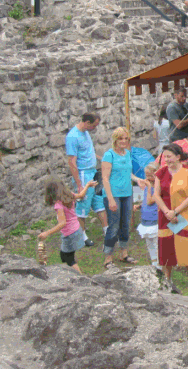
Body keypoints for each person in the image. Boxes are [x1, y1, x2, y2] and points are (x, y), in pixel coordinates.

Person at [154, 143, 188, 289]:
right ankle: (167, 277)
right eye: (164, 157)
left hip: (183, 215)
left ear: (178, 157)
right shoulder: (160, 174)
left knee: (187, 244)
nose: (166, 160)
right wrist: (167, 212)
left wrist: (176, 211)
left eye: (169, 156)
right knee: (166, 245)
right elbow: (156, 195)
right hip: (165, 215)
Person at [101, 127, 147, 270]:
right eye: (121, 138)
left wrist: (137, 179)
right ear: (115, 140)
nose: (123, 141)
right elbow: (105, 178)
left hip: (127, 193)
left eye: (126, 139)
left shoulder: (127, 154)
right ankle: (108, 257)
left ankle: (124, 253)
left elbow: (128, 173)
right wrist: (110, 199)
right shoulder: (109, 155)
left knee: (125, 224)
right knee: (113, 226)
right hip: (114, 194)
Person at [66, 112, 107, 247]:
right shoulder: (73, 136)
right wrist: (79, 184)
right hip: (83, 175)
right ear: (87, 123)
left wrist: (103, 159)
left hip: (93, 172)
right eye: (94, 125)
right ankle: (82, 236)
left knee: (99, 200)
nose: (95, 128)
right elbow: (72, 161)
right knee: (83, 205)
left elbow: (89, 151)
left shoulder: (86, 133)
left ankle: (107, 231)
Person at [39, 179, 97, 273]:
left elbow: (62, 223)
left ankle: (82, 278)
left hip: (70, 234)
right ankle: (75, 273)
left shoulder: (58, 205)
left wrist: (47, 233)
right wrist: (87, 185)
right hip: (77, 229)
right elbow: (81, 196)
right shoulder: (69, 195)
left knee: (67, 258)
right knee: (67, 255)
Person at [137, 162, 161, 269]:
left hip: (154, 218)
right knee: (149, 243)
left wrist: (148, 186)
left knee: (156, 243)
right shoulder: (148, 186)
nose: (148, 178)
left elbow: (151, 201)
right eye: (147, 175)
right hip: (145, 218)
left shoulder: (157, 185)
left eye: (151, 176)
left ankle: (160, 265)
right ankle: (154, 263)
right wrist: (139, 205)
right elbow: (146, 200)